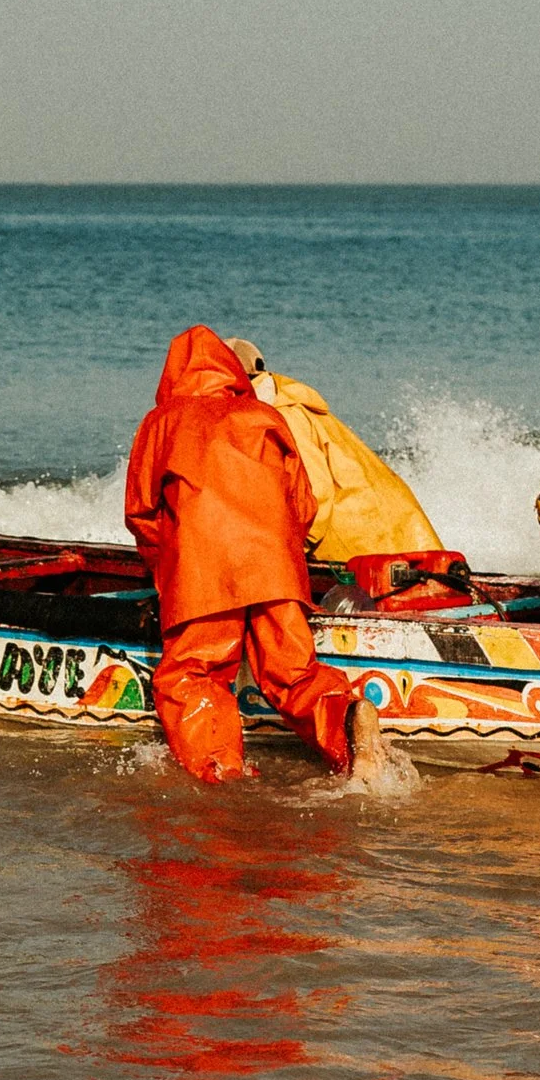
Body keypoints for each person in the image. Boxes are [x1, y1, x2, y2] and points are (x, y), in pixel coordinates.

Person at [125, 326, 385, 783]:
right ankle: (349, 722)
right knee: (292, 673)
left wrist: (166, 578)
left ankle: (222, 772)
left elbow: (143, 516)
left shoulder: (161, 422)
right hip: (275, 567)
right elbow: (303, 505)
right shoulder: (263, 416)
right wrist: (278, 557)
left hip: (203, 572)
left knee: (192, 673)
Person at [226, 338, 444, 563]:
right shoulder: (277, 405)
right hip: (384, 528)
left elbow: (314, 494)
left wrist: (293, 548)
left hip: (363, 541)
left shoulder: (286, 416)